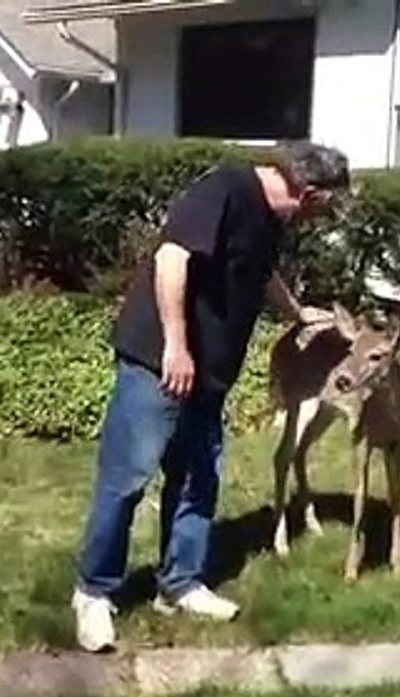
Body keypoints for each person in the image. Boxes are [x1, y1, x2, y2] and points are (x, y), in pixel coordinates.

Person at [70, 141, 353, 653]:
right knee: (128, 478)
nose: (321, 219)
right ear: (308, 193)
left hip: (210, 373)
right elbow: (171, 260)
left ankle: (179, 584)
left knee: (199, 476)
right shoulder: (224, 188)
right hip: (159, 361)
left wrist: (295, 314)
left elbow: (259, 271)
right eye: (325, 208)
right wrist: (176, 346)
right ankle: (94, 593)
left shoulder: (271, 219)